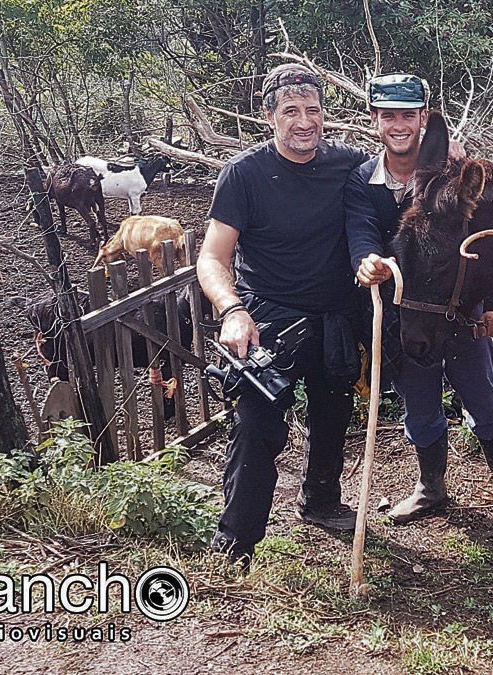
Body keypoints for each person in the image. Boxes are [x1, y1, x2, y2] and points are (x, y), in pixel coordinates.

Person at [345, 74, 493, 523]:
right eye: (388, 115)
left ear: (422, 119)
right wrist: (367, 261)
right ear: (375, 119)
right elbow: (360, 230)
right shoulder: (362, 179)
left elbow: (486, 245)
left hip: (460, 311)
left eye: (408, 115)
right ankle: (430, 487)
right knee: (419, 403)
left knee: (483, 397)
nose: (398, 125)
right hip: (406, 314)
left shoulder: (446, 174)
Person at [197, 63, 370, 566]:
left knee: (333, 414)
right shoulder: (244, 175)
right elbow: (212, 257)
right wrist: (231, 310)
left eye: (312, 110)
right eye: (290, 111)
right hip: (265, 318)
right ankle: (236, 540)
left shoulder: (349, 167)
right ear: (268, 115)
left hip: (335, 316)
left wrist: (449, 151)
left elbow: (406, 170)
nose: (304, 121)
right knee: (256, 427)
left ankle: (319, 500)